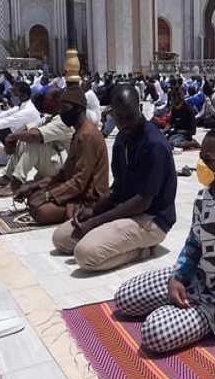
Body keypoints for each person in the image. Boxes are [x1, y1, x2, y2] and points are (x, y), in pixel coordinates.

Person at [113, 126, 215, 353]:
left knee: (153, 332)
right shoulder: (204, 196)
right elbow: (193, 244)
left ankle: (209, 319)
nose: (201, 164)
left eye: (209, 160)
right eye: (201, 157)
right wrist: (178, 278)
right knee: (125, 297)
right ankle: (177, 303)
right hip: (196, 277)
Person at [52, 84, 177, 272]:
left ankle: (141, 249)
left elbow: (143, 202)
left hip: (152, 219)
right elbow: (118, 188)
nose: (125, 123)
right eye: (119, 117)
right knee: (61, 238)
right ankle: (117, 239)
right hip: (126, 211)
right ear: (112, 115)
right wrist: (94, 210)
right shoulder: (122, 140)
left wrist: (96, 222)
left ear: (140, 109)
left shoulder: (154, 145)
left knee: (85, 255)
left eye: (129, 116)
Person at [13, 86, 109, 225]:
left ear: (78, 109)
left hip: (89, 199)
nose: (61, 112)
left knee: (41, 211)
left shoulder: (88, 135)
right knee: (34, 196)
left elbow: (79, 182)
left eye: (64, 108)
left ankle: (73, 212)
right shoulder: (79, 132)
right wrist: (34, 186)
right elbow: (64, 174)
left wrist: (48, 196)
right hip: (76, 190)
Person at [0, 87, 74, 195]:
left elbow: (34, 135)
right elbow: (29, 128)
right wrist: (13, 137)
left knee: (34, 143)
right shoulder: (50, 117)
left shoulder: (63, 120)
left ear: (56, 101)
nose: (42, 101)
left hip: (63, 167)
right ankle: (8, 176)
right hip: (53, 161)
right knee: (23, 139)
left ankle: (16, 183)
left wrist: (12, 137)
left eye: (45, 99)